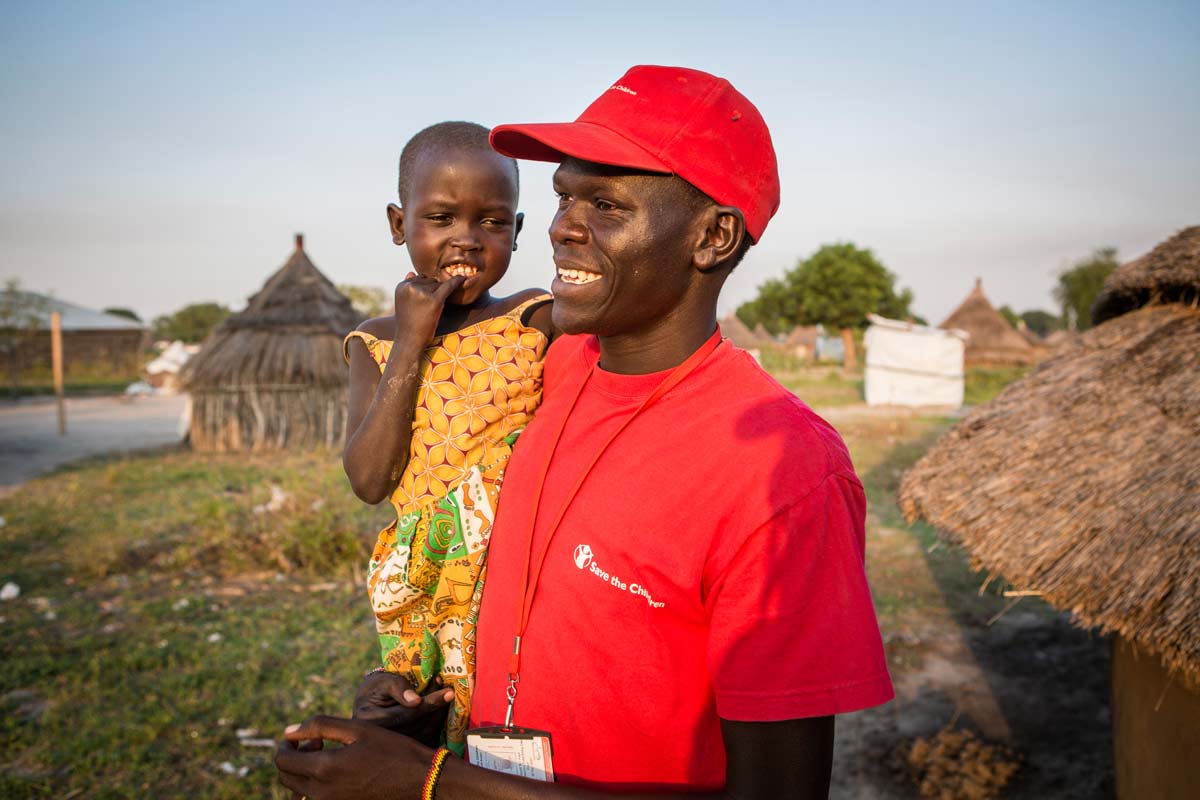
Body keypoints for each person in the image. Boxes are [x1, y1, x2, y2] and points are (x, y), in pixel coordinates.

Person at [278, 66, 892, 799]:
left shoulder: (782, 474)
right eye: (565, 195)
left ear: (713, 236)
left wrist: (434, 786)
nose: (565, 226)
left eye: (605, 202)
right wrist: (422, 702)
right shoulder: (540, 372)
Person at [341, 120, 554, 755]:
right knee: (430, 729)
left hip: (518, 571)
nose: (466, 238)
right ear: (398, 223)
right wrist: (413, 335)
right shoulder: (374, 340)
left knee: (515, 730)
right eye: (440, 217)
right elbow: (369, 480)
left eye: (492, 221)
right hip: (424, 588)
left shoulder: (537, 318)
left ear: (516, 231)